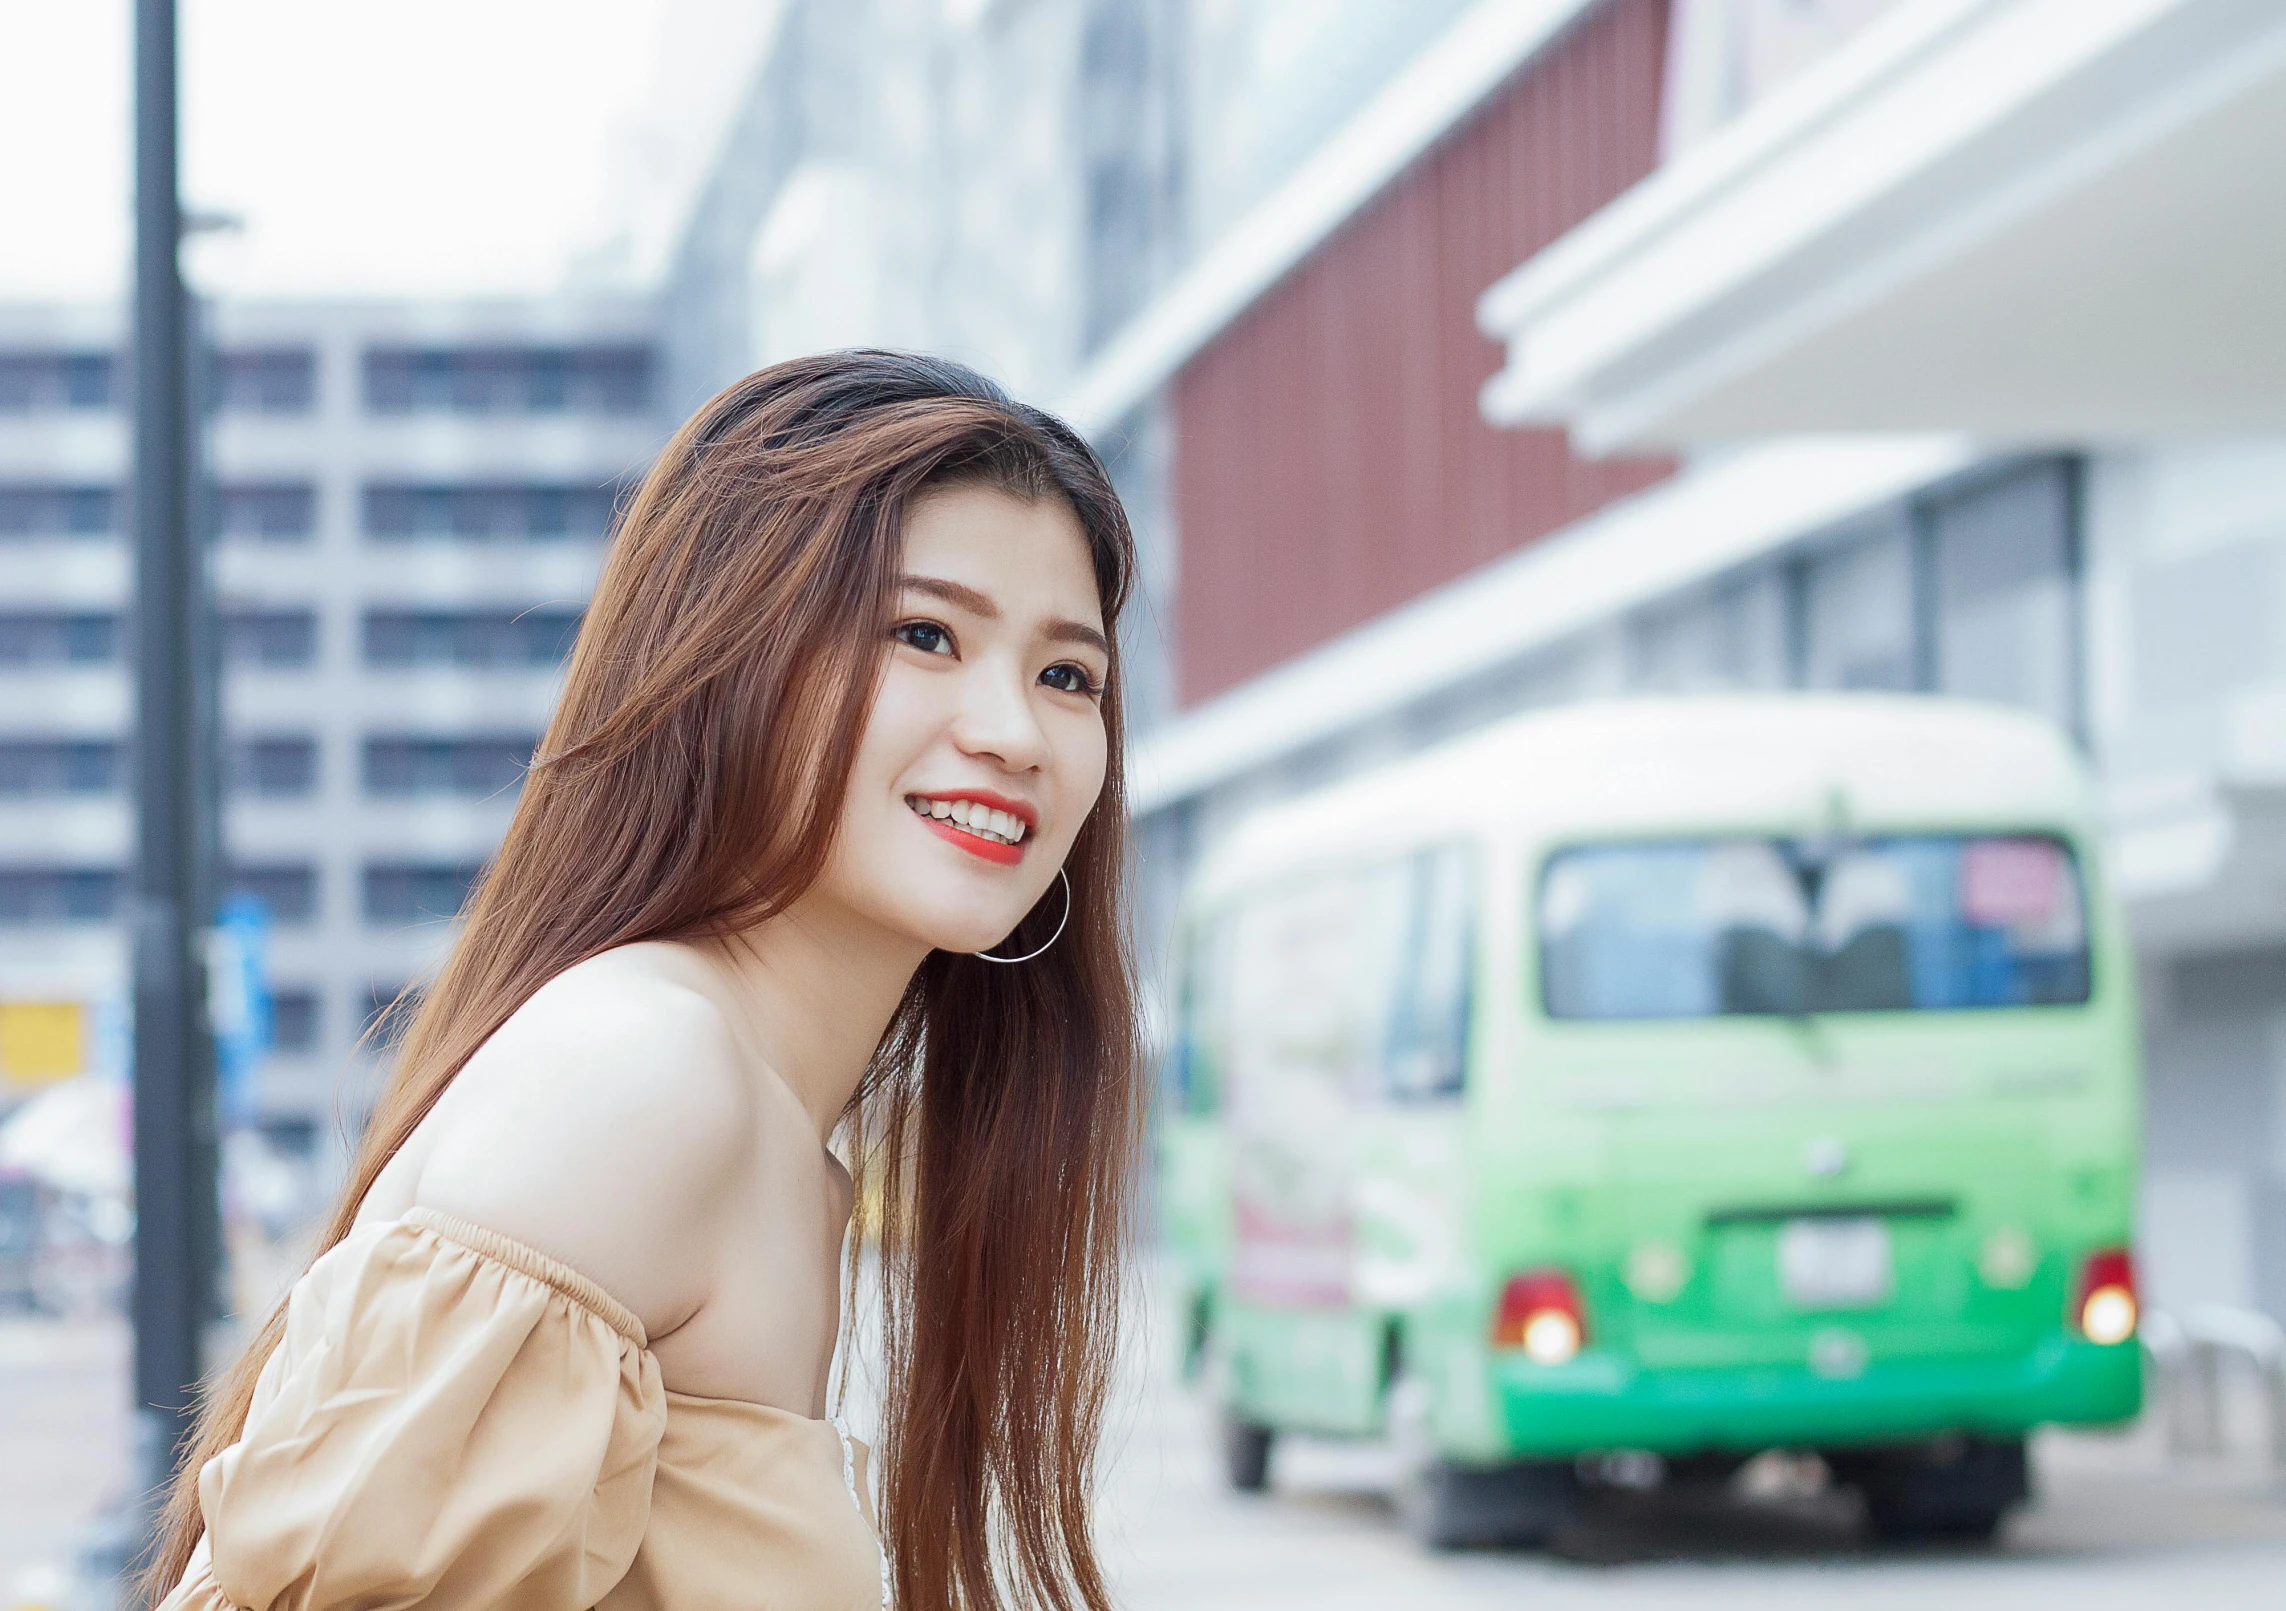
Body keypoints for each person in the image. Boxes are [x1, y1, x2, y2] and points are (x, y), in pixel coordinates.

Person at [143, 352, 1145, 1611]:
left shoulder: (776, 1140)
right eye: (924, 634)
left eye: (1069, 675)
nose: (1012, 730)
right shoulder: (646, 1074)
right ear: (729, 655)